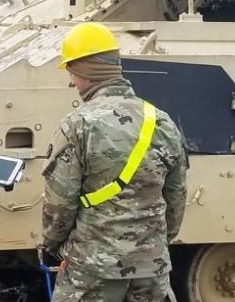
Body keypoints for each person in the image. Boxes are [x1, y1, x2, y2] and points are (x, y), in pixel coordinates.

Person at [42, 22, 188, 302]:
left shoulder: (77, 126)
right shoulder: (161, 121)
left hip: (93, 270)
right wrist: (152, 245)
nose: (72, 82)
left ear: (87, 70)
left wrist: (53, 246)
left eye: (72, 72)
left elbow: (59, 207)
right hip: (151, 269)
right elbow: (176, 199)